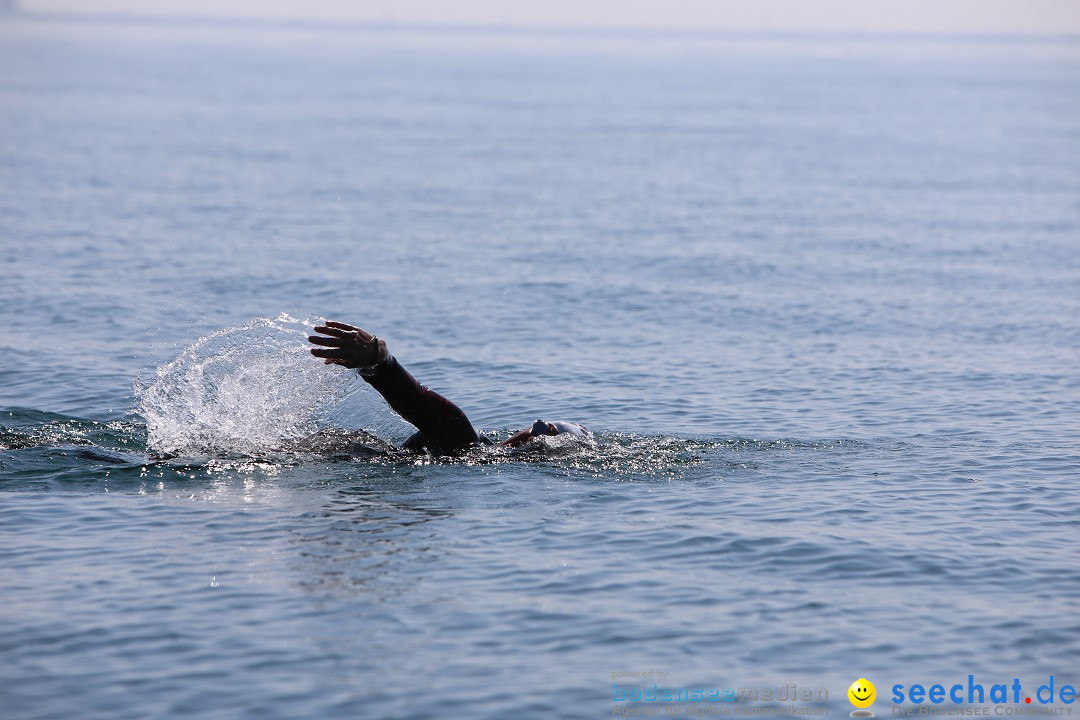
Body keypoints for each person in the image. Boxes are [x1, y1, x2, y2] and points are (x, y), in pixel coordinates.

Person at [308, 320, 590, 455]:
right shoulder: (475, 452)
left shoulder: (463, 440)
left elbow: (421, 404)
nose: (534, 428)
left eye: (543, 430)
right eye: (539, 424)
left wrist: (382, 362)